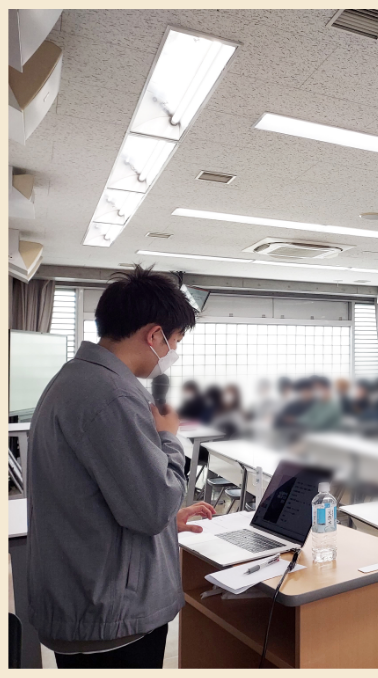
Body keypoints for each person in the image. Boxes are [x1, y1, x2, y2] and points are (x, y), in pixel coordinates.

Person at [26, 266, 216, 669]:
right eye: (175, 340)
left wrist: (170, 518)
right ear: (154, 335)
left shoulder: (76, 379)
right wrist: (168, 435)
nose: (173, 351)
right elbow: (149, 510)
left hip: (88, 597)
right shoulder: (112, 395)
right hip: (110, 614)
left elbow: (102, 493)